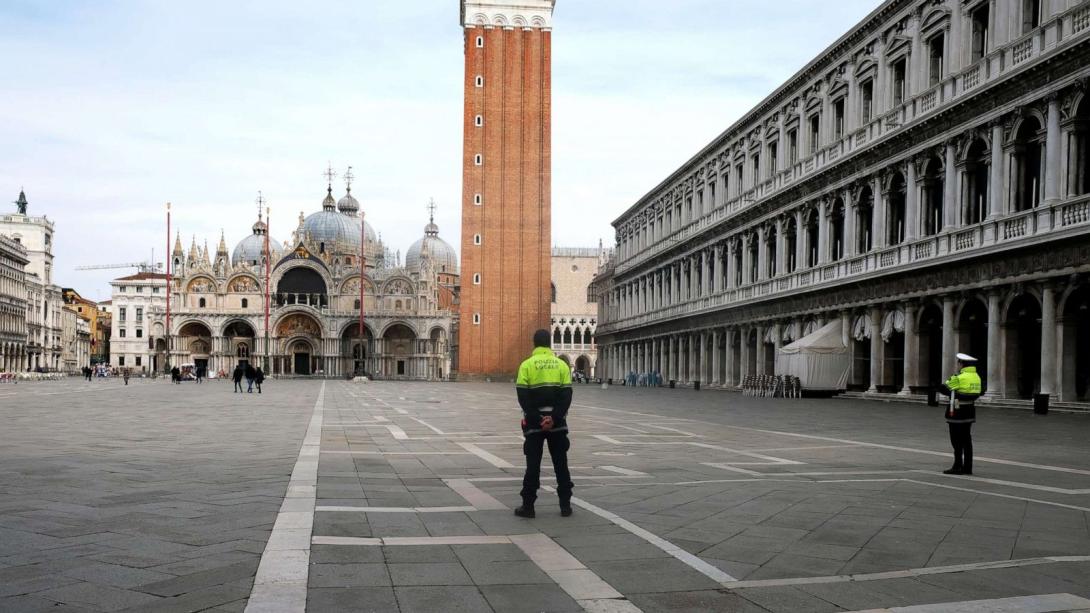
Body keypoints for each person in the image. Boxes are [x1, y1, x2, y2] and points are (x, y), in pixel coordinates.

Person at [514, 329, 574, 519]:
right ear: (550, 343)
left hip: (533, 425)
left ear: (534, 343)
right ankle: (565, 506)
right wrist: (553, 418)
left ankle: (528, 506)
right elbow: (566, 397)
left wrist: (538, 419)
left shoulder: (526, 365)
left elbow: (523, 398)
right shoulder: (562, 365)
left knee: (533, 465)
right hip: (557, 424)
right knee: (561, 464)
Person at [938, 352, 982, 475]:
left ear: (962, 364)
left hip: (957, 412)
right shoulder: (976, 377)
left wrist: (952, 390)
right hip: (969, 411)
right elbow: (980, 392)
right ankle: (968, 467)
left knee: (956, 440)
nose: (957, 365)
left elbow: (943, 388)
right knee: (967, 440)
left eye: (958, 363)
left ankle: (957, 465)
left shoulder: (959, 377)